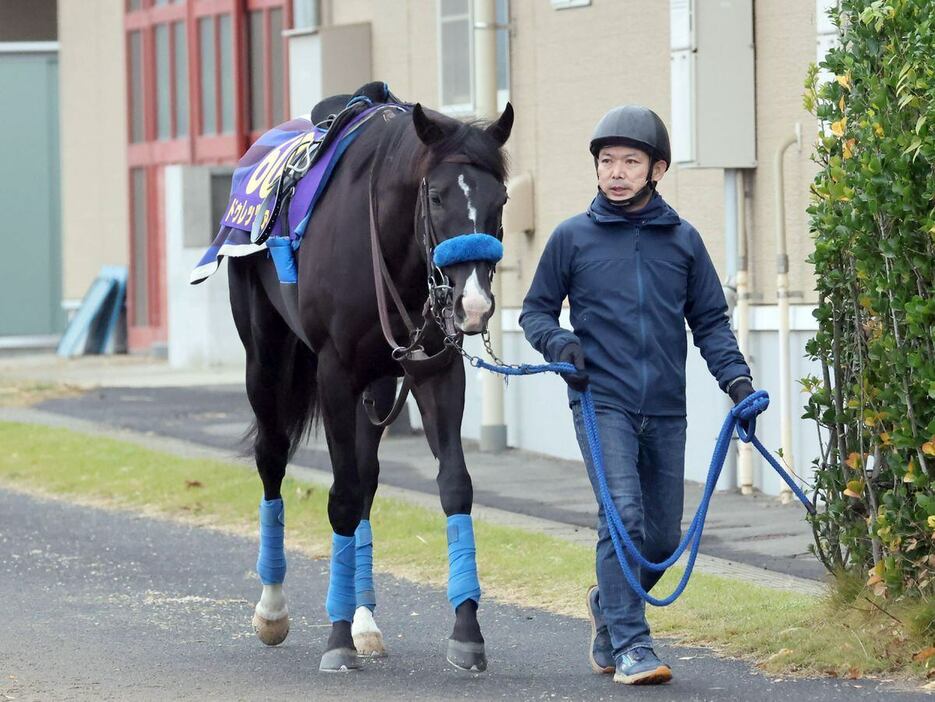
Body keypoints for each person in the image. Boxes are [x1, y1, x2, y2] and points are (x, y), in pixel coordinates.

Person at [519, 105, 755, 686]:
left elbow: (710, 322)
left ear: (658, 169)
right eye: (607, 161)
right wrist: (560, 345)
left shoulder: (684, 241)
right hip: (601, 401)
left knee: (660, 536)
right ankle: (632, 644)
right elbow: (535, 311)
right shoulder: (571, 237)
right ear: (596, 169)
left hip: (666, 406)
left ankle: (609, 607)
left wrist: (739, 383)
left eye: (630, 161)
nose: (617, 171)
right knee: (622, 517)